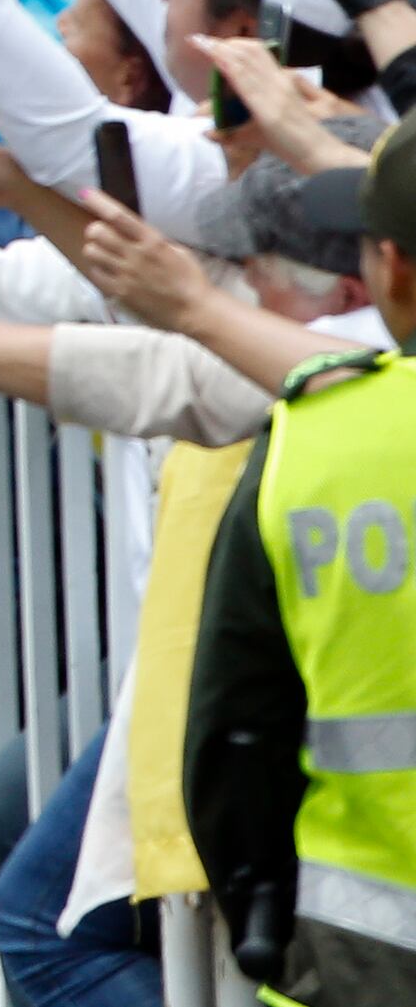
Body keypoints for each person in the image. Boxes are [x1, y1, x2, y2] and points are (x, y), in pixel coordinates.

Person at [188, 124, 416, 1004]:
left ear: (392, 266)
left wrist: (269, 934)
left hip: (369, 962)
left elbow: (231, 739)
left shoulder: (315, 446)